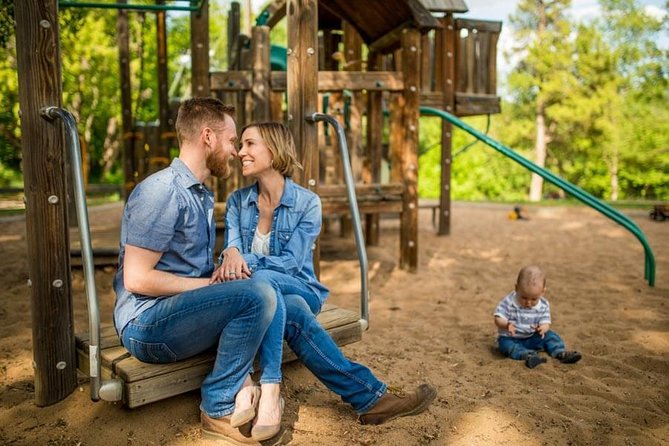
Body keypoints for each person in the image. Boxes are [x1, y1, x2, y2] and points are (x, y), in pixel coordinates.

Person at [211, 121, 437, 443]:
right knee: (286, 306)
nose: (240, 152)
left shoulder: (307, 203)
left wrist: (245, 259)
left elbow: (290, 261)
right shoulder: (237, 202)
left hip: (302, 286)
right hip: (273, 297)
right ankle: (370, 398)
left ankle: (269, 385)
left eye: (249, 144)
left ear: (274, 150)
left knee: (265, 282)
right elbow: (230, 250)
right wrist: (233, 253)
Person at [112, 98, 277, 445]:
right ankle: (217, 408)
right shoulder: (162, 191)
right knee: (258, 294)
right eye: (232, 140)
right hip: (147, 325)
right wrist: (208, 286)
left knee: (262, 283)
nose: (235, 151)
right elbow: (137, 279)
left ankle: (257, 387)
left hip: (175, 315)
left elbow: (187, 265)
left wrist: (226, 262)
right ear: (208, 137)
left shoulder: (198, 193)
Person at [493, 265, 582, 368]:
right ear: (516, 288)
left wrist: (542, 328)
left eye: (534, 299)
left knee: (551, 336)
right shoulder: (509, 301)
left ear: (542, 292)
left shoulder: (543, 305)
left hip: (532, 337)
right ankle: (527, 356)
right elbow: (498, 318)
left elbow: (546, 322)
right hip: (511, 338)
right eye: (524, 297)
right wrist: (506, 324)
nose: (528, 302)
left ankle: (560, 352)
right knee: (506, 346)